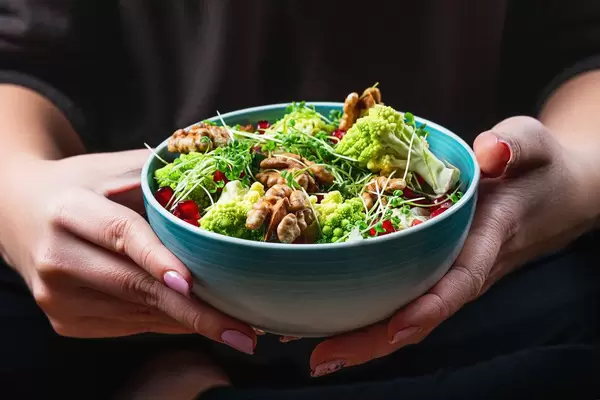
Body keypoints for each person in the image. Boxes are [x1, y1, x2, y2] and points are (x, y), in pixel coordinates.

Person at [0, 0, 599, 398]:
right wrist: (20, 195)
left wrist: (572, 175)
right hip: (129, 281)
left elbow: (583, 50)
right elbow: (22, 64)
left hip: (465, 272)